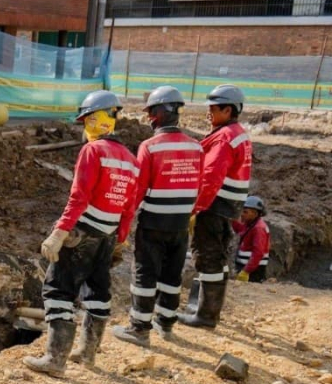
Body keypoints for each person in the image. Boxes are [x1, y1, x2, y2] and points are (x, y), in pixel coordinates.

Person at [23, 90, 138, 376]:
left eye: (87, 120)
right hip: (107, 235)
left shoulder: (93, 150)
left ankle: (55, 359)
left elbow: (79, 198)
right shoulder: (130, 159)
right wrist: (121, 239)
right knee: (98, 292)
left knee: (59, 290)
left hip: (83, 232)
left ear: (98, 120)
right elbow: (130, 206)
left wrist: (59, 233)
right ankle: (87, 355)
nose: (85, 127)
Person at [111, 86, 203, 346]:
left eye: (152, 111)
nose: (150, 117)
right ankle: (166, 324)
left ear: (163, 111)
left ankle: (139, 329)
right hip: (181, 224)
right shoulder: (195, 147)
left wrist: (123, 225)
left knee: (145, 273)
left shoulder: (150, 147)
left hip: (153, 222)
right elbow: (199, 185)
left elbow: (137, 190)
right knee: (172, 274)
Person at [179, 84, 252, 329]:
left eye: (213, 108)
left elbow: (210, 177)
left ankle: (206, 315)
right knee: (218, 258)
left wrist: (195, 208)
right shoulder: (237, 133)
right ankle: (208, 309)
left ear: (227, 109)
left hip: (214, 206)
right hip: (228, 206)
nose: (208, 113)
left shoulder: (224, 138)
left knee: (207, 255)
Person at [232, 196, 270, 283]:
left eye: (245, 212)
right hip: (247, 266)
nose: (242, 214)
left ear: (255, 213)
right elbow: (240, 228)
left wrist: (246, 271)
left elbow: (258, 252)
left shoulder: (259, 228)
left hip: (254, 270)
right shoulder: (250, 224)